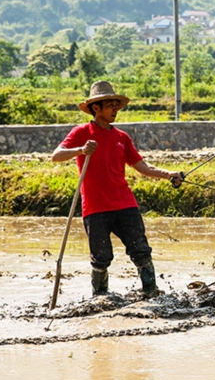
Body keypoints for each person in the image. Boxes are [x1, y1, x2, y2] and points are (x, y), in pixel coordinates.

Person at [52, 80, 184, 298]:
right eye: (110, 105)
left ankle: (151, 292)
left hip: (125, 204)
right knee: (101, 258)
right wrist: (81, 150)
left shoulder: (122, 137)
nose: (115, 110)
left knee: (141, 251)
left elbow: (143, 167)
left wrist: (168, 174)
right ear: (96, 108)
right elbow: (56, 156)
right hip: (96, 207)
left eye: (116, 105)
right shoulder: (82, 132)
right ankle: (100, 298)